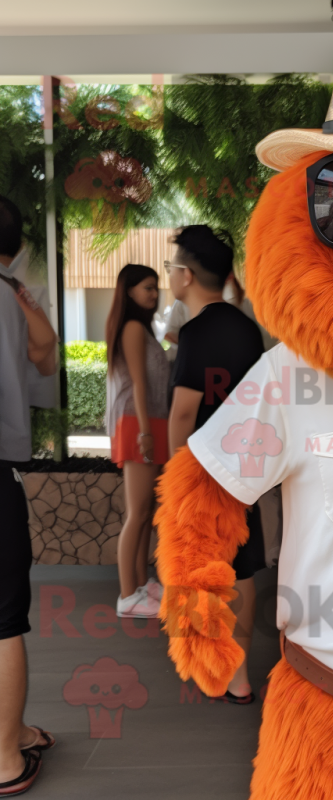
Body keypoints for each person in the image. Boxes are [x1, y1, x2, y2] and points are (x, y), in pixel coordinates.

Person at [165, 225, 266, 703]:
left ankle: (209, 667)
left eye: (170, 268)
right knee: (242, 570)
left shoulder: (196, 331)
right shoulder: (248, 328)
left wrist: (173, 476)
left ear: (185, 275)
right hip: (246, 468)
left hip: (202, 474)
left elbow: (184, 412)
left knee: (199, 571)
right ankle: (240, 676)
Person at [0, 195, 59, 794]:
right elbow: (45, 352)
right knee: (3, 618)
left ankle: (12, 731)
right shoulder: (14, 298)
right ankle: (6, 759)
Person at [105, 263, 171, 619]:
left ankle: (143, 586)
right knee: (137, 513)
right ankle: (127, 595)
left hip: (151, 423)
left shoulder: (145, 330)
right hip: (139, 424)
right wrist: (146, 432)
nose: (154, 293)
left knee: (147, 512)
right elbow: (139, 384)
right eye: (147, 287)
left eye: (156, 287)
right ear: (128, 291)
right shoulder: (132, 328)